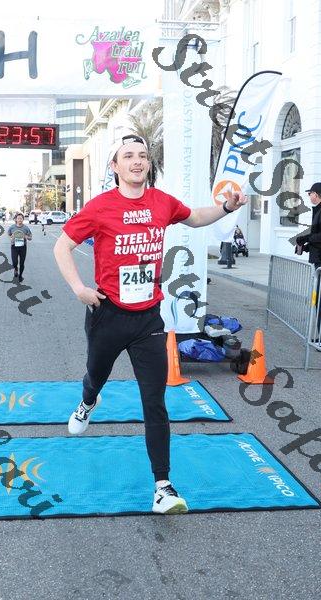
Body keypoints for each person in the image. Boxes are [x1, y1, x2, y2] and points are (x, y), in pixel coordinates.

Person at [53, 134, 246, 515]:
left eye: (142, 155)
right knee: (95, 377)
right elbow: (62, 246)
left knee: (154, 402)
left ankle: (163, 487)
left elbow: (195, 217)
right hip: (108, 314)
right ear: (115, 166)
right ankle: (88, 403)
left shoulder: (161, 202)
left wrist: (226, 207)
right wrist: (79, 289)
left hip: (148, 320)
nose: (137, 161)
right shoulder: (100, 206)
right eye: (128, 156)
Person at [296, 182, 321, 343]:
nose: (309, 196)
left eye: (310, 193)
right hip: (318, 259)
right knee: (319, 301)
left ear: (317, 194)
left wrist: (306, 238)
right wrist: (306, 247)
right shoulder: (318, 210)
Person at [7, 212, 32, 282]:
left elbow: (30, 237)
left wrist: (26, 237)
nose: (20, 220)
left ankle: (20, 275)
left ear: (23, 219)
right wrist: (11, 238)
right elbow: (9, 234)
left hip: (23, 247)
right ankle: (15, 269)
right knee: (14, 262)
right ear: (16, 219)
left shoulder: (26, 228)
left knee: (22, 263)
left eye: (21, 218)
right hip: (14, 246)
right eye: (18, 218)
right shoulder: (12, 227)